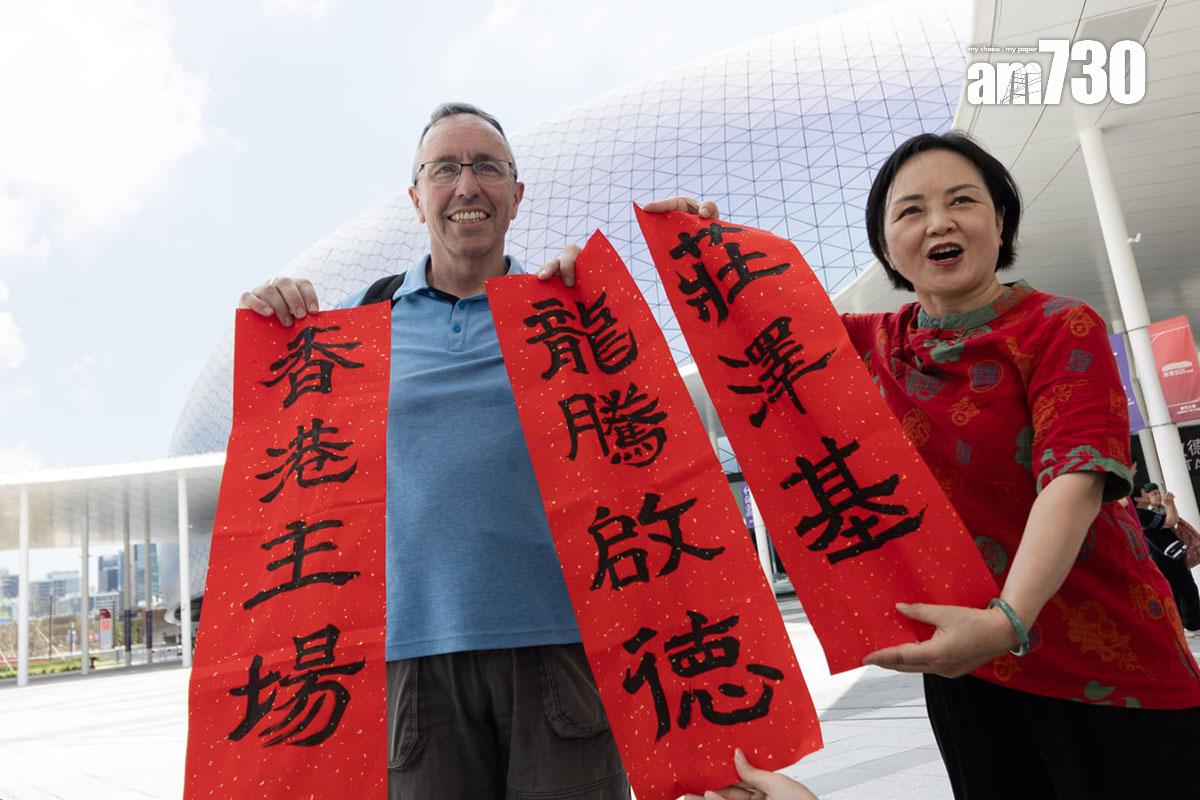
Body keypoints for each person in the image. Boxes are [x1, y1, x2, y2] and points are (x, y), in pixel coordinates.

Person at [553, 132, 1200, 800]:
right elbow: (738, 339)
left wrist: (1008, 620)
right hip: (967, 672)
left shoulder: (1061, 328)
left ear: (1000, 220)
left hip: (1114, 668)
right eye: (911, 210)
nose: (939, 222)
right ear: (886, 244)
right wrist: (668, 261)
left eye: (962, 201)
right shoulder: (866, 348)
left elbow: (1073, 479)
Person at [240, 103, 629, 800]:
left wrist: (675, 250)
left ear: (517, 192)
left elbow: (648, 437)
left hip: (561, 648)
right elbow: (291, 477)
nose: (467, 185)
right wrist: (272, 321)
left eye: (487, 167)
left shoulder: (564, 311)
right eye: (444, 168)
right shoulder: (356, 327)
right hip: (411, 667)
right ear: (417, 199)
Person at [1134, 481, 1200, 635]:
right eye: (1149, 493)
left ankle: (1193, 624)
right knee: (1174, 591)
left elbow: (1173, 521)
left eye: (1157, 492)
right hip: (1163, 558)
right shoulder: (1143, 515)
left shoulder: (1151, 513)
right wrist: (1170, 504)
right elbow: (1170, 521)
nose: (1155, 496)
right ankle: (1181, 626)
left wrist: (1170, 505)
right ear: (1137, 498)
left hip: (1173, 556)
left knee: (1187, 588)